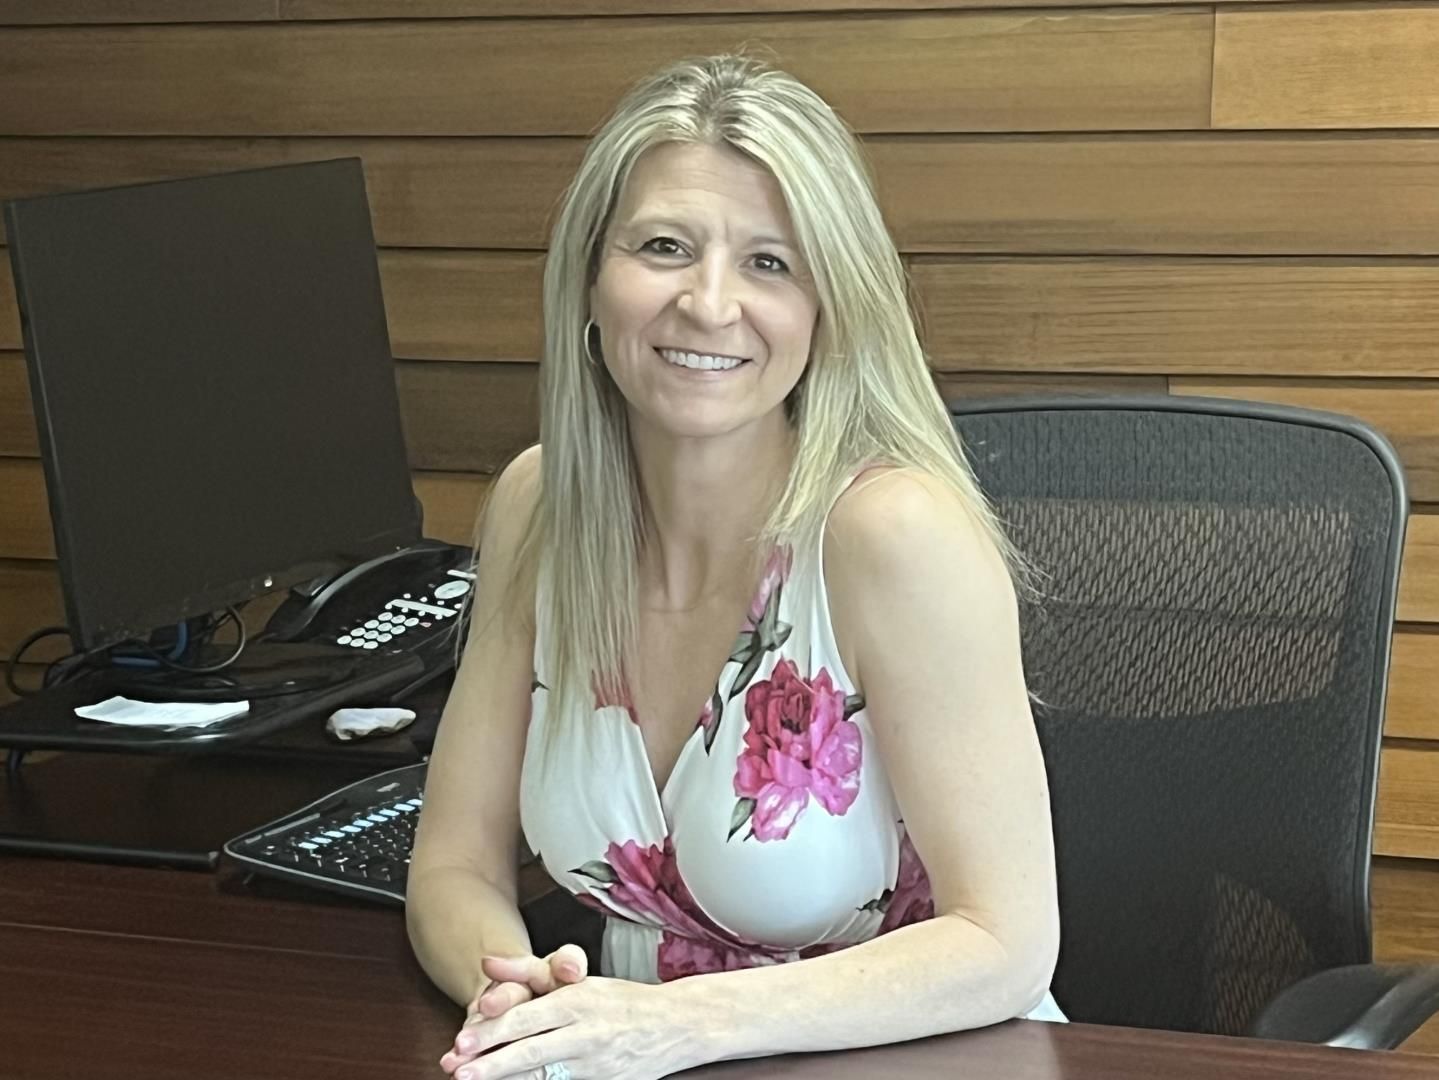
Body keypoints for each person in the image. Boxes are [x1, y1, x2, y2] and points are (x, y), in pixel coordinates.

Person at [406, 53, 1064, 1080]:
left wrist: (683, 1024)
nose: (708, 305)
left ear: (826, 306)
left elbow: (1006, 943)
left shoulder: (891, 536)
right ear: (590, 274)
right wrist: (509, 989)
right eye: (663, 246)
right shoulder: (540, 509)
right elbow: (451, 863)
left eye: (769, 263)